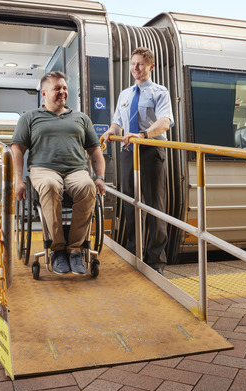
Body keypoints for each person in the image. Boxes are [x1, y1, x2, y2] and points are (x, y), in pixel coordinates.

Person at [11, 71, 106, 275]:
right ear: (44, 93)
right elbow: (17, 148)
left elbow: (95, 149)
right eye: (57, 88)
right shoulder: (29, 118)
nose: (62, 92)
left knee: (88, 187)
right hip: (43, 169)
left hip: (76, 170)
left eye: (64, 88)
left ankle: (75, 250)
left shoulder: (81, 118)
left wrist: (100, 178)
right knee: (51, 186)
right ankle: (57, 250)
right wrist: (18, 180)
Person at [102, 47, 174, 274]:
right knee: (130, 204)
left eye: (141, 64)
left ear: (150, 67)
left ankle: (156, 261)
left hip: (150, 151)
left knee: (154, 206)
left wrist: (143, 136)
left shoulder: (159, 92)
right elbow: (117, 123)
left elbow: (165, 122)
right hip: (128, 152)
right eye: (133, 64)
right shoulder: (125, 94)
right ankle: (135, 253)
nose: (135, 68)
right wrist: (109, 131)